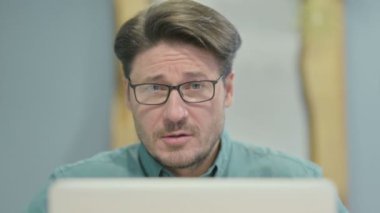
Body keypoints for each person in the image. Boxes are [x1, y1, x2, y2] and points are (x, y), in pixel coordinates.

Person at [28, 0, 348, 212]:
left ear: (229, 90)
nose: (174, 113)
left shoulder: (297, 187)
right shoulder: (73, 194)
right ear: (128, 96)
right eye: (154, 88)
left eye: (195, 87)